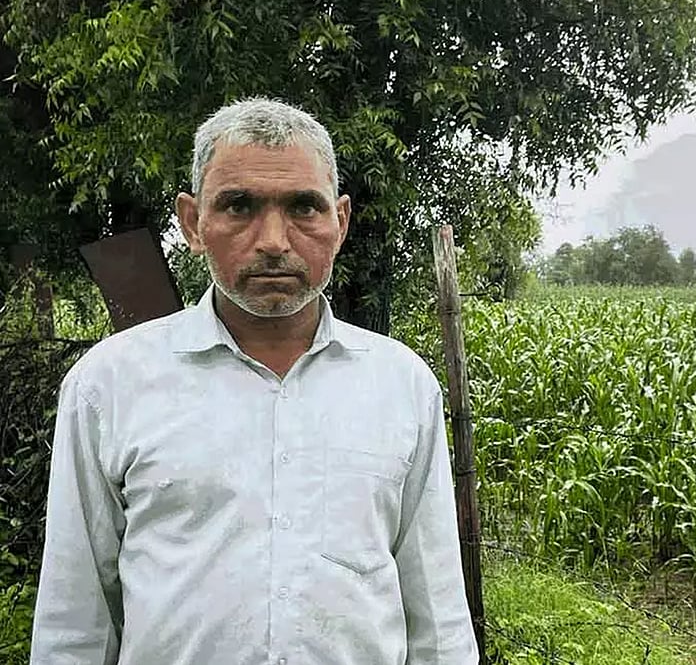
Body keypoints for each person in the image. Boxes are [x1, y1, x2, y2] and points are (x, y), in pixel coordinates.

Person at [29, 98, 479, 664]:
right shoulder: (109, 385)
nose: (273, 240)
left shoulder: (403, 386)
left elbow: (436, 613)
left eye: (303, 208)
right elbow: (75, 620)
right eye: (239, 206)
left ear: (339, 222)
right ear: (193, 223)